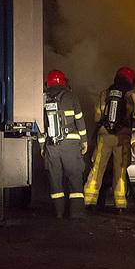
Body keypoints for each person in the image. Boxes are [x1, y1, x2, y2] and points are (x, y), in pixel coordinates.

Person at [83, 66, 135, 212]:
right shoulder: (131, 96)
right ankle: (120, 204)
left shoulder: (104, 94)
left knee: (97, 169)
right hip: (122, 138)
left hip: (104, 136)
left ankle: (89, 201)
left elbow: (97, 117)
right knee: (120, 171)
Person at [38, 69, 88, 218]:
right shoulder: (72, 97)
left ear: (48, 83)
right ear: (64, 82)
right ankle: (76, 213)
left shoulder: (42, 98)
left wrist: (42, 146)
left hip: (51, 145)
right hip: (71, 145)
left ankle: (59, 213)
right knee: (74, 177)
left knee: (55, 179)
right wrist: (84, 141)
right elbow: (80, 121)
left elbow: (40, 127)